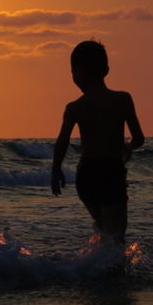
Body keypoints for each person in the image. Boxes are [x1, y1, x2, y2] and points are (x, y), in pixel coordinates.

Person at [50, 39, 144, 248]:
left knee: (103, 226)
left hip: (86, 175)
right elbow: (139, 138)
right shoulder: (123, 99)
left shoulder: (74, 107)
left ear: (75, 73)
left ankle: (96, 269)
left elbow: (62, 141)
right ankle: (111, 273)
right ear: (107, 70)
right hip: (111, 171)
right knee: (116, 235)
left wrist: (56, 171)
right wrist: (126, 148)